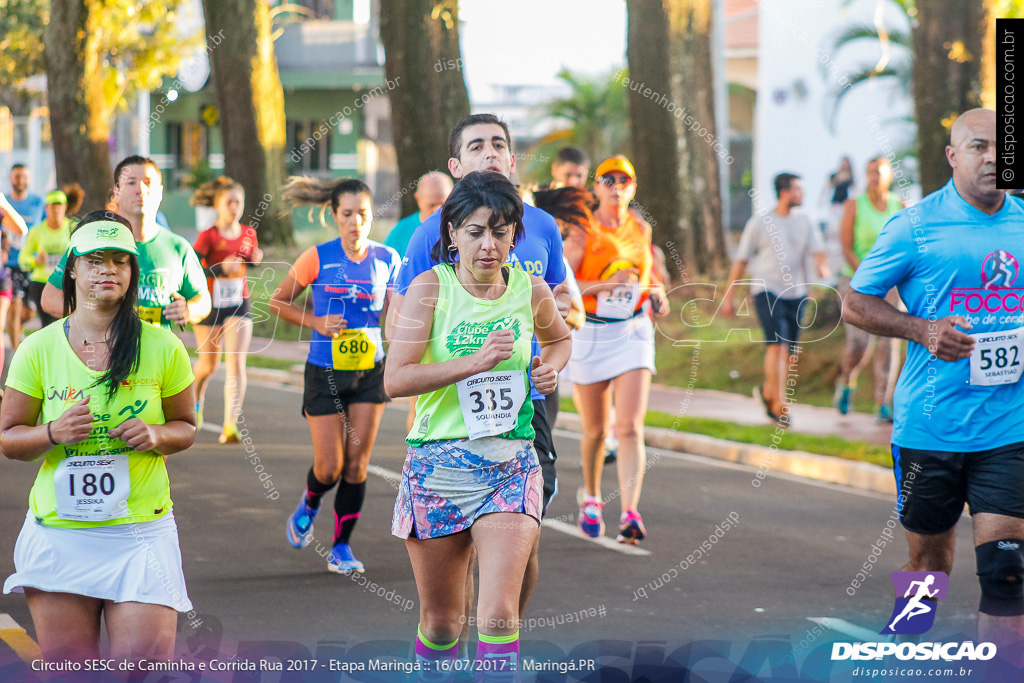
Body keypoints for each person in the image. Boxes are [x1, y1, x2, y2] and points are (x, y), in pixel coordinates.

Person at [844, 108, 1024, 649]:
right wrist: (923, 330)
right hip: (929, 426)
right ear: (952, 156)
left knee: (1007, 571)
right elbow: (855, 303)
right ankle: (908, 643)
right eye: (977, 146)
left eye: (1001, 146)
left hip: (1008, 428)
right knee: (929, 566)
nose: (993, 157)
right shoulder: (915, 226)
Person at [384, 171, 571, 676]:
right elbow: (395, 380)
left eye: (501, 232)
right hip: (438, 466)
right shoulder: (429, 288)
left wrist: (550, 368)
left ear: (515, 235)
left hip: (511, 463)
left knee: (497, 616)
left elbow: (560, 339)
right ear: (452, 234)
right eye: (475, 232)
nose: (489, 245)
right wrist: (472, 363)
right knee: (443, 622)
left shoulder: (530, 289)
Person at [1, 211, 197, 665]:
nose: (108, 269)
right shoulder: (39, 348)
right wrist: (53, 432)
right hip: (61, 535)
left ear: (133, 272)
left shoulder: (163, 346)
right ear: (73, 268)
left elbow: (186, 426)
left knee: (144, 672)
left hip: (141, 535)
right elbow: (8, 438)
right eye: (95, 259)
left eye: (120, 261)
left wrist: (156, 434)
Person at [271, 178, 400, 574]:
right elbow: (278, 302)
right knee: (329, 467)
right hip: (324, 372)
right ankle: (310, 501)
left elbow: (395, 316)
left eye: (363, 214)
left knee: (356, 465)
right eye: (347, 214)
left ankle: (341, 547)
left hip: (368, 373)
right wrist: (315, 321)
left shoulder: (387, 259)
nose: (356, 222)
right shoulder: (316, 257)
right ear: (334, 216)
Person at [563, 156, 669, 543]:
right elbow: (566, 287)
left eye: (624, 179)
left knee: (629, 427)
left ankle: (629, 512)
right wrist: (606, 286)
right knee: (595, 430)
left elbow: (649, 277)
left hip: (633, 332)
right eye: (607, 179)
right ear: (596, 188)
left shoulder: (640, 228)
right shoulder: (582, 230)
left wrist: (656, 292)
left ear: (633, 187)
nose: (616, 185)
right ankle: (591, 496)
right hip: (591, 332)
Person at [41, 155, 211, 329]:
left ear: (160, 192)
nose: (140, 189)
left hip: (155, 353)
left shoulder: (178, 247)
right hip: (103, 351)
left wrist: (188, 309)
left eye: (148, 182)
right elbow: (50, 298)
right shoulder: (92, 241)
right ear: (117, 192)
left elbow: (203, 301)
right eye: (131, 183)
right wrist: (96, 312)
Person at [722, 172, 829, 424]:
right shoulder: (760, 223)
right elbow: (741, 261)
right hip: (766, 289)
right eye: (797, 189)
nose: (801, 194)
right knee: (777, 345)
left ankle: (768, 392)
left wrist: (821, 266)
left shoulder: (806, 221)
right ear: (784, 192)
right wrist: (729, 296)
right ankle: (781, 406)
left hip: (797, 292)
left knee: (791, 353)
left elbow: (819, 252)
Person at [191, 177, 264, 444]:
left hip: (238, 302)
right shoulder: (208, 236)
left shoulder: (248, 234)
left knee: (235, 363)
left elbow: (250, 258)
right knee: (208, 366)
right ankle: (196, 399)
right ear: (218, 205)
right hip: (209, 304)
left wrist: (255, 259)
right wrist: (221, 269)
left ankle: (230, 424)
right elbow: (195, 269)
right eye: (229, 202)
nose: (234, 207)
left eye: (238, 202)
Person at [834, 156, 904, 422]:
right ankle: (847, 380)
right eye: (869, 171)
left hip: (892, 285)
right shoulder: (854, 205)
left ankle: (882, 404)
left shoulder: (899, 206)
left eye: (878, 171)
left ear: (889, 175)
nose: (873, 176)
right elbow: (846, 246)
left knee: (888, 344)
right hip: (856, 282)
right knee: (859, 343)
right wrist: (868, 277)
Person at [20, 190, 76, 328]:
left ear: (65, 207)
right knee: (49, 324)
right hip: (42, 282)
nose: (56, 209)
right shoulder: (37, 231)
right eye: (52, 205)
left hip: (67, 282)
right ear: (46, 208)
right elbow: (23, 259)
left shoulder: (74, 227)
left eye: (59, 205)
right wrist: (35, 261)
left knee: (68, 323)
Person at [6, 164, 45, 351]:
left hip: (32, 263)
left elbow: (46, 228)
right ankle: (15, 353)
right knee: (14, 304)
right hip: (9, 263)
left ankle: (15, 327)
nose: (21, 180)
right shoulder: (4, 203)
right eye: (17, 176)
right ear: (10, 178)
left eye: (24, 177)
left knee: (29, 312)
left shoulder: (38, 203)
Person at [385, 171, 454, 258]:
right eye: (431, 205)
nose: (437, 211)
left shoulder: (461, 229)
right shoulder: (401, 232)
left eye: (443, 205)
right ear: (418, 199)